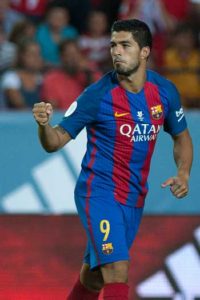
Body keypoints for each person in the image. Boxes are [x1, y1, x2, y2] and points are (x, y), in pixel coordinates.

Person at [32, 19, 193, 300]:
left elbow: (182, 137)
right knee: (117, 271)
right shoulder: (96, 96)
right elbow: (54, 142)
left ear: (144, 52)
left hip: (133, 198)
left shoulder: (165, 92)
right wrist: (44, 126)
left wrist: (184, 173)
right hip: (99, 193)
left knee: (93, 279)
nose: (116, 51)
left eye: (125, 45)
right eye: (113, 45)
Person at [41, 39, 101, 110]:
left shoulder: (91, 73)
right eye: (69, 55)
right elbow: (52, 110)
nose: (74, 59)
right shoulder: (51, 79)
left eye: (76, 54)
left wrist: (88, 74)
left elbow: (99, 100)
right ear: (61, 57)